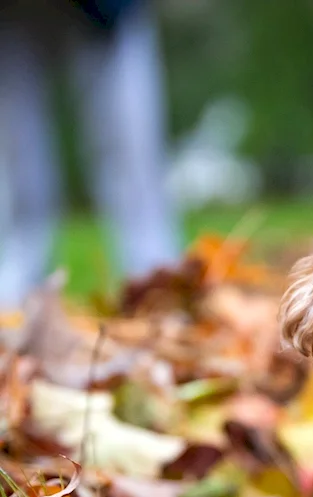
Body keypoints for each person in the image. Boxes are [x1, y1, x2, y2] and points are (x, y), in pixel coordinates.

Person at [0, 0, 180, 308]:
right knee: (16, 148)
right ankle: (18, 293)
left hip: (104, 10)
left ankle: (157, 281)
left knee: (130, 140)